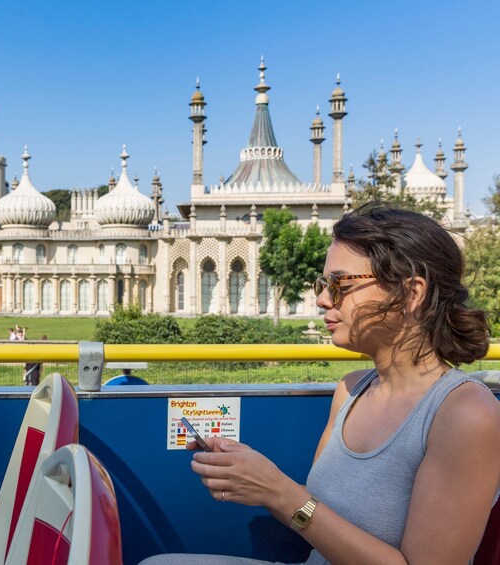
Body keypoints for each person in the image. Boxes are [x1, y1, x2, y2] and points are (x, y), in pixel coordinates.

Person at [141, 202, 500, 564]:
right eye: (322, 284)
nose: (322, 298)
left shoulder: (465, 415)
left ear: (410, 293)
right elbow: (312, 516)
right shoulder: (351, 390)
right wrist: (258, 478)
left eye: (339, 284)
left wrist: (281, 492)